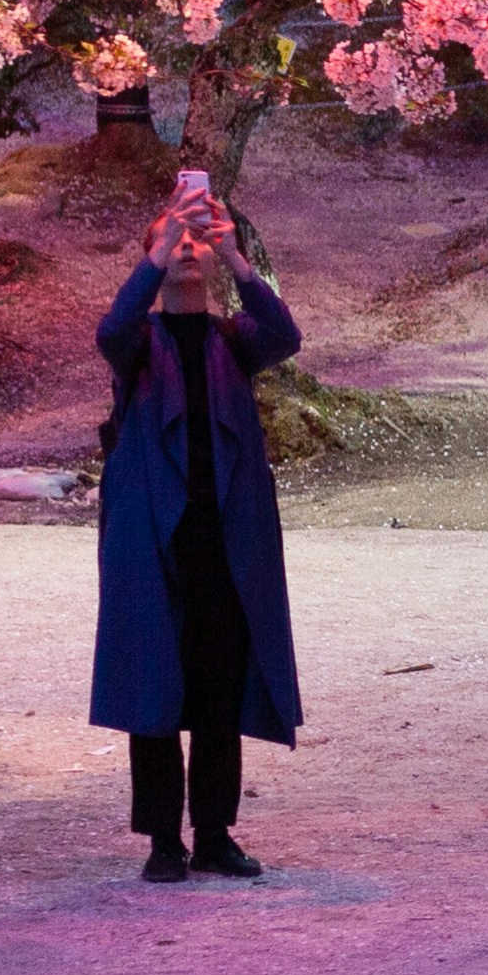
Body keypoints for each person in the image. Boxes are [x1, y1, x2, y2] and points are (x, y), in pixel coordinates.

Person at [90, 177, 304, 880]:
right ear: (151, 252)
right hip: (154, 541)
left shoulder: (233, 341)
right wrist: (154, 255)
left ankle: (213, 834)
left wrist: (238, 258)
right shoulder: (141, 345)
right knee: (155, 687)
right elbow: (110, 330)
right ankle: (162, 842)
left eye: (196, 237)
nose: (187, 245)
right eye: (172, 235)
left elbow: (286, 335)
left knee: (218, 687)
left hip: (224, 541)